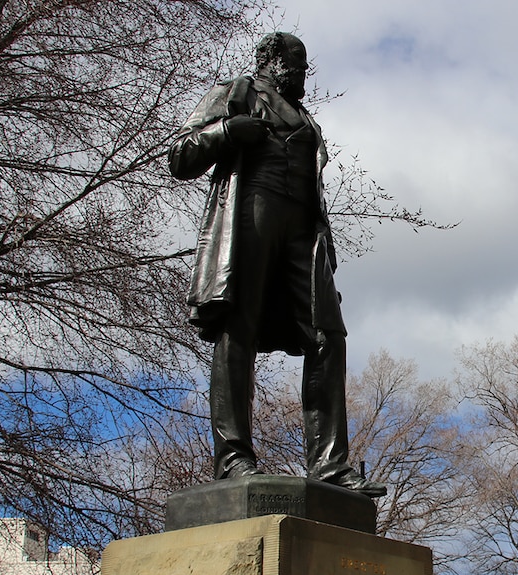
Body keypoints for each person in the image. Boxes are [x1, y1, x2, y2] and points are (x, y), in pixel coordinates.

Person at [168, 32, 386, 498]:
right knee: (238, 329)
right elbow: (179, 156)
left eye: (305, 65)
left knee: (328, 335)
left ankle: (329, 466)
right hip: (252, 213)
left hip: (304, 232)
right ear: (269, 60)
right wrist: (227, 132)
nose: (303, 73)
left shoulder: (305, 117)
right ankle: (233, 459)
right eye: (296, 63)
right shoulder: (237, 94)